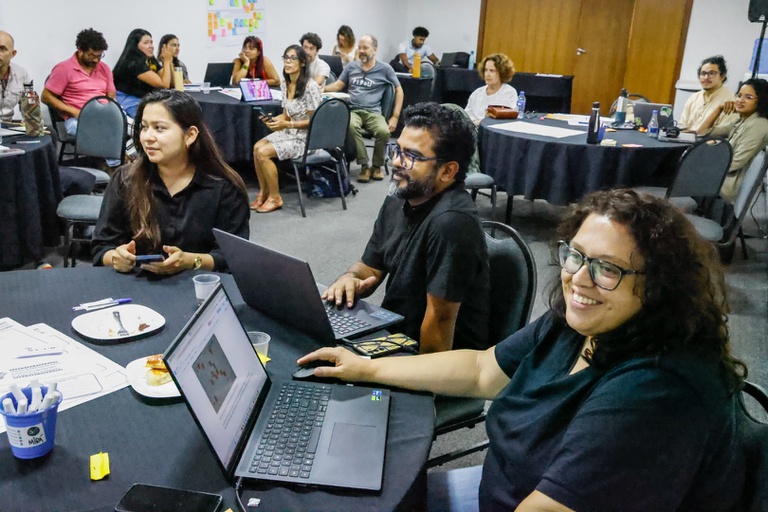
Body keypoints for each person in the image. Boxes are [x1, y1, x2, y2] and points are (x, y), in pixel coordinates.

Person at [302, 188, 747, 511]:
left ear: (658, 287)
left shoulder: (656, 390)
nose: (579, 279)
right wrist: (368, 368)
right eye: (576, 255)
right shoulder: (581, 321)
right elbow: (481, 370)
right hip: (502, 486)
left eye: (607, 269)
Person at [321, 103, 489, 352]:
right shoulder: (399, 198)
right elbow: (371, 265)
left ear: (447, 170)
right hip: (395, 335)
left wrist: (411, 385)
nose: (397, 163)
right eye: (397, 150)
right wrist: (350, 278)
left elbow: (439, 328)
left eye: (412, 156)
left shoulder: (452, 223)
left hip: (427, 357)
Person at [92, 89, 250, 274]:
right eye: (144, 127)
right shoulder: (126, 179)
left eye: (159, 128)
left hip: (197, 285)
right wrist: (116, 258)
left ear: (190, 135)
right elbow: (101, 247)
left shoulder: (224, 186)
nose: (147, 137)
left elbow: (230, 257)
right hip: (135, 285)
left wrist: (191, 261)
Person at [250, 45, 321, 214]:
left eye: (293, 58)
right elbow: (286, 116)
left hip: (307, 139)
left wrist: (287, 125)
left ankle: (275, 197)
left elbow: (315, 121)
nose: (287, 62)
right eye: (286, 58)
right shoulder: (285, 84)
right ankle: (264, 192)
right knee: (256, 147)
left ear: (302, 63)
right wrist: (273, 120)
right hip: (290, 132)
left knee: (264, 152)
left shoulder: (310, 87)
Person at [324, 34, 404, 183]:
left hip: (373, 112)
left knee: (383, 131)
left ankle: (377, 166)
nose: (361, 51)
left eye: (365, 48)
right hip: (353, 110)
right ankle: (364, 166)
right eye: (359, 48)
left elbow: (399, 90)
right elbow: (338, 85)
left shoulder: (385, 69)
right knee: (351, 127)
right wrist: (320, 89)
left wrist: (395, 116)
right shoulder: (351, 66)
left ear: (374, 50)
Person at [698, 78, 768, 202]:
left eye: (748, 97)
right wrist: (719, 109)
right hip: (718, 180)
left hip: (723, 188)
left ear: (761, 101)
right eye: (739, 95)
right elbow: (702, 132)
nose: (740, 100)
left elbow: (735, 162)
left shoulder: (759, 125)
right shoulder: (743, 121)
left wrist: (702, 166)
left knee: (672, 174)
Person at [42, 28, 115, 136]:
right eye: (91, 55)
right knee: (103, 134)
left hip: (103, 115)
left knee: (134, 129)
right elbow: (46, 97)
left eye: (99, 56)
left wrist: (109, 111)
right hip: (76, 119)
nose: (96, 60)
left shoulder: (104, 68)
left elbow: (111, 95)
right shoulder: (64, 69)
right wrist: (74, 111)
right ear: (80, 50)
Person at [113, 29, 173, 117]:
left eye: (151, 42)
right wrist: (167, 62)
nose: (151, 46)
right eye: (146, 43)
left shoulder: (149, 60)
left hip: (142, 100)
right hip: (128, 101)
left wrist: (168, 61)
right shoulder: (133, 62)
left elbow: (166, 79)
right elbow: (164, 84)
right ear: (135, 46)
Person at [679, 55, 738, 135]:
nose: (706, 77)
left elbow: (724, 134)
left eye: (711, 73)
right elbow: (682, 126)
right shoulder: (694, 98)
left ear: (722, 77)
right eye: (703, 73)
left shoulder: (729, 101)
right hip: (685, 141)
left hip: (709, 144)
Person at [464, 53, 518, 124]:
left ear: (502, 73)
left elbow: (506, 119)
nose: (487, 74)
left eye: (492, 71)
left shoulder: (509, 93)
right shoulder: (477, 93)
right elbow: (466, 117)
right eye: (486, 70)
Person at [0, 30, 30, 122]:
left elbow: (29, 107)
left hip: (8, 126)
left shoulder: (22, 74)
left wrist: (34, 128)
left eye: (2, 49)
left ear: (13, 54)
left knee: (48, 132)